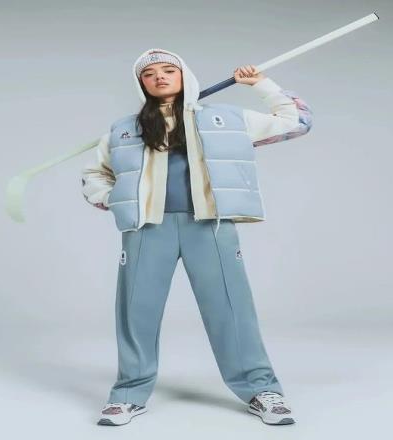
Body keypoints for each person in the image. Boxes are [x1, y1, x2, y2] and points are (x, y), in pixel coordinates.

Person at [81, 48, 313, 426]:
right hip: (147, 229)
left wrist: (261, 84)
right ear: (141, 83)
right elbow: (94, 174)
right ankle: (128, 393)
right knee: (136, 311)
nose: (159, 77)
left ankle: (261, 389)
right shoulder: (124, 129)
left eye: (168, 70)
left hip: (209, 226)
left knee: (231, 308)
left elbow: (296, 121)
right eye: (149, 73)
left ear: (184, 75)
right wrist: (115, 200)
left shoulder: (225, 119)